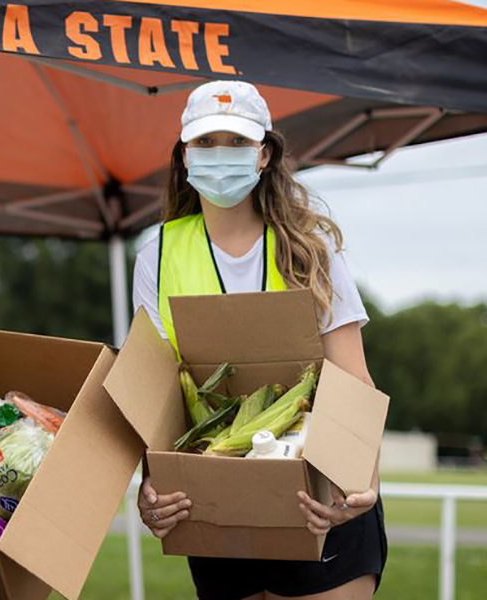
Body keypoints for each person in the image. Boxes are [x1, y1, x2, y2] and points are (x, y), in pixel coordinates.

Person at [132, 81, 387, 600]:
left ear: (264, 153)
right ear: (183, 156)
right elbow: (154, 388)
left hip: (319, 491)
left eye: (237, 143)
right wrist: (152, 483)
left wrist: (363, 481)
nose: (220, 157)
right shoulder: (156, 254)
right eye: (205, 143)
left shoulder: (311, 250)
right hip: (216, 495)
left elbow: (351, 376)